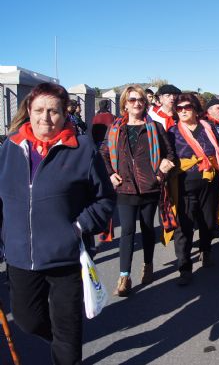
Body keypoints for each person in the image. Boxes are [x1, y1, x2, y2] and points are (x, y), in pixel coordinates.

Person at [0, 83, 115, 364]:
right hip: (19, 257)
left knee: (68, 329)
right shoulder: (10, 149)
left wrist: (77, 228)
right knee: (27, 321)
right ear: (28, 110)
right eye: (39, 110)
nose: (45, 118)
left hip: (65, 258)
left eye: (53, 111)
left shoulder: (82, 150)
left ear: (65, 114)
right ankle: (62, 344)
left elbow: (105, 199)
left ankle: (66, 351)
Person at [100, 86, 176, 296]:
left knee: (147, 228)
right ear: (125, 103)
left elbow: (170, 154)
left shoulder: (156, 127)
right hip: (125, 187)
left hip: (149, 187)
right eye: (132, 100)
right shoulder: (115, 128)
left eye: (141, 99)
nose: (137, 103)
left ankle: (148, 265)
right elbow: (104, 153)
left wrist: (162, 171)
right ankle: (124, 276)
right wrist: (109, 174)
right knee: (126, 231)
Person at [168, 93, 219, 285]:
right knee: (184, 226)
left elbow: (218, 150)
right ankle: (184, 266)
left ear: (195, 109)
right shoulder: (171, 132)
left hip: (209, 183)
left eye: (187, 107)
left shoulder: (208, 127)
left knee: (208, 221)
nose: (183, 111)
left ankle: (206, 250)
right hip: (184, 185)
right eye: (179, 108)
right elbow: (167, 156)